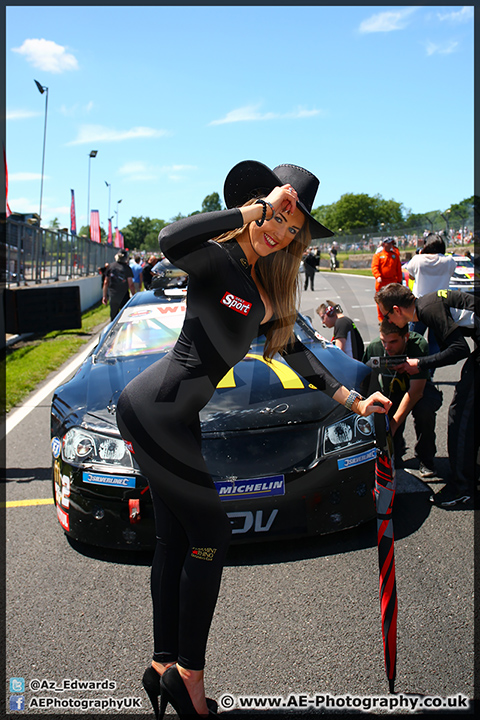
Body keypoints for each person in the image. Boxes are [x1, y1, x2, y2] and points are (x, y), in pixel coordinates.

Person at [115, 160, 392, 719]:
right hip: (154, 411)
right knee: (213, 531)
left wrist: (355, 402)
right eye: (278, 215)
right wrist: (251, 212)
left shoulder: (265, 289)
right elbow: (170, 240)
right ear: (258, 204)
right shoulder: (217, 260)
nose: (279, 231)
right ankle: (190, 679)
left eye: (292, 228)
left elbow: (300, 356)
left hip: (175, 417)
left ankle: (163, 664)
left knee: (174, 538)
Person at [374, 283, 479, 508]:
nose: (388, 322)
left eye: (387, 316)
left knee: (460, 415)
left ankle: (462, 488)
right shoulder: (429, 304)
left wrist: (420, 363)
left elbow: (459, 349)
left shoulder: (429, 309)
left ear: (396, 309)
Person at [362, 319, 443, 474]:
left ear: (405, 336)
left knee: (424, 411)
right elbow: (362, 378)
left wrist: (392, 425)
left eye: (393, 342)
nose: (387, 347)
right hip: (391, 393)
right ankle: (395, 451)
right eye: (383, 341)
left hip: (418, 390)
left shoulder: (418, 345)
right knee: (394, 455)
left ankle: (426, 459)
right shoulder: (375, 347)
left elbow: (416, 392)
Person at [403, 234, 456, 358]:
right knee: (435, 342)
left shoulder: (418, 259)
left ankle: (412, 367)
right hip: (440, 305)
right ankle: (429, 372)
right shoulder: (449, 261)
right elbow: (451, 273)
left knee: (413, 339)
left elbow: (410, 276)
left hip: (420, 304)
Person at [371, 238, 402, 321]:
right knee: (380, 300)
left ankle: (392, 317)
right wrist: (378, 276)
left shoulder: (395, 256)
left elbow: (398, 269)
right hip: (382, 282)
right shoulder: (378, 255)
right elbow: (374, 267)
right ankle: (381, 318)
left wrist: (399, 280)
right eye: (388, 243)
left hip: (392, 281)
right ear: (384, 244)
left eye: (391, 244)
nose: (390, 245)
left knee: (393, 300)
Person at [102, 250, 135, 320]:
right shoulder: (127, 268)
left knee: (114, 317)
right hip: (124, 296)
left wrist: (104, 296)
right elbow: (131, 284)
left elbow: (106, 282)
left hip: (113, 295)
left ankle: (114, 330)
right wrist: (134, 296)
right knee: (125, 317)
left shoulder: (110, 266)